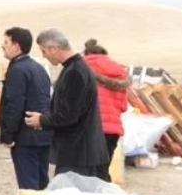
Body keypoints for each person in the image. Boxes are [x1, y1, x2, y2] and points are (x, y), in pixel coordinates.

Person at [25, 29, 109, 179]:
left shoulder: (75, 72)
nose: (44, 56)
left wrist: (42, 120)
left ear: (53, 48)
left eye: (44, 51)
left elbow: (69, 115)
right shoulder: (73, 68)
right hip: (78, 151)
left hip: (79, 152)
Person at [0, 27, 53, 190]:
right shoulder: (38, 68)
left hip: (26, 135)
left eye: (6, 42)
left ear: (17, 46)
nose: (3, 45)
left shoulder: (17, 70)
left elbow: (14, 105)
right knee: (41, 181)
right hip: (43, 133)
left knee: (29, 184)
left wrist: (8, 135)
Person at [83, 39, 131, 180]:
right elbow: (123, 107)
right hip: (111, 130)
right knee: (102, 170)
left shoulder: (81, 67)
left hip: (88, 128)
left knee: (84, 171)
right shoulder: (119, 72)